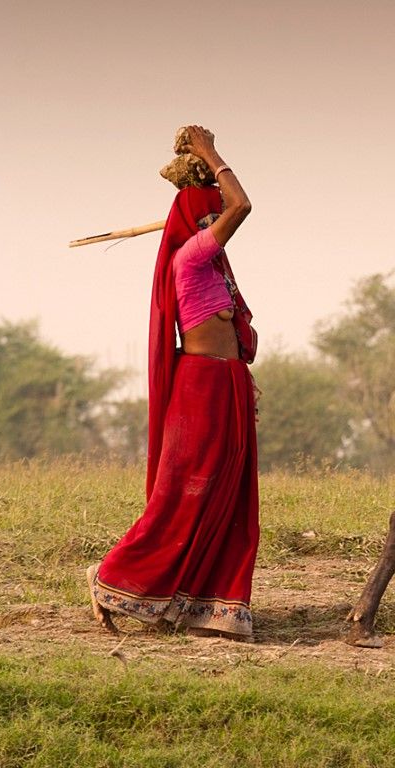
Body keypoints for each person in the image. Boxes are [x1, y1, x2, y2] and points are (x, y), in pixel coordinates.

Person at [87, 125, 259, 640]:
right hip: (199, 387)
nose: (216, 221)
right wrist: (210, 152)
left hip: (228, 383)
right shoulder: (191, 257)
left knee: (227, 496)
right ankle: (110, 578)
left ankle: (205, 603)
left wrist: (246, 384)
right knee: (182, 494)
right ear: (192, 221)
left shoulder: (213, 265)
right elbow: (243, 206)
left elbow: (230, 211)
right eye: (207, 215)